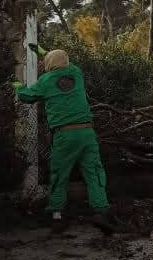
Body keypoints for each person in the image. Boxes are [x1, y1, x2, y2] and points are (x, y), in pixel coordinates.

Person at [14, 48, 114, 234]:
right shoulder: (76, 73)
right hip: (86, 133)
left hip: (65, 135)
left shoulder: (45, 81)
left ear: (50, 64)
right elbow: (63, 62)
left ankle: (57, 216)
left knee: (59, 175)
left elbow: (26, 97)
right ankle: (102, 212)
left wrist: (17, 85)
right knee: (94, 172)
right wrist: (46, 51)